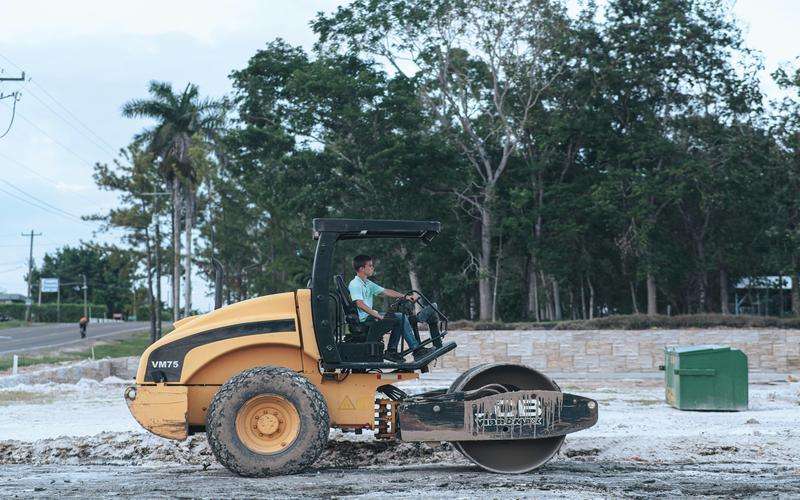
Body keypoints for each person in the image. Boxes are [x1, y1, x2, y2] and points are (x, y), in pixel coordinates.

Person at [348, 254, 432, 363]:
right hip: (365, 320)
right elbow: (359, 304)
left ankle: (392, 351)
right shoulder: (355, 284)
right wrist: (376, 315)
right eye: (370, 266)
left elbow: (386, 291)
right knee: (400, 317)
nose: (373, 268)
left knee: (400, 318)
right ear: (361, 269)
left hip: (370, 317)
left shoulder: (367, 283)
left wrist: (406, 296)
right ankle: (416, 350)